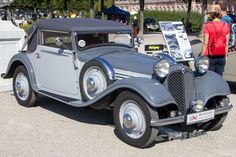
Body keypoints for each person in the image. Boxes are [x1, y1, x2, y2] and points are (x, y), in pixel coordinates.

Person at [202, 4, 230, 76]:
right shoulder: (226, 26)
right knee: (219, 78)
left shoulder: (208, 26)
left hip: (210, 56)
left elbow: (205, 43)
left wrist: (202, 56)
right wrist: (226, 56)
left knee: (210, 78)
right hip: (221, 56)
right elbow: (226, 43)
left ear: (211, 14)